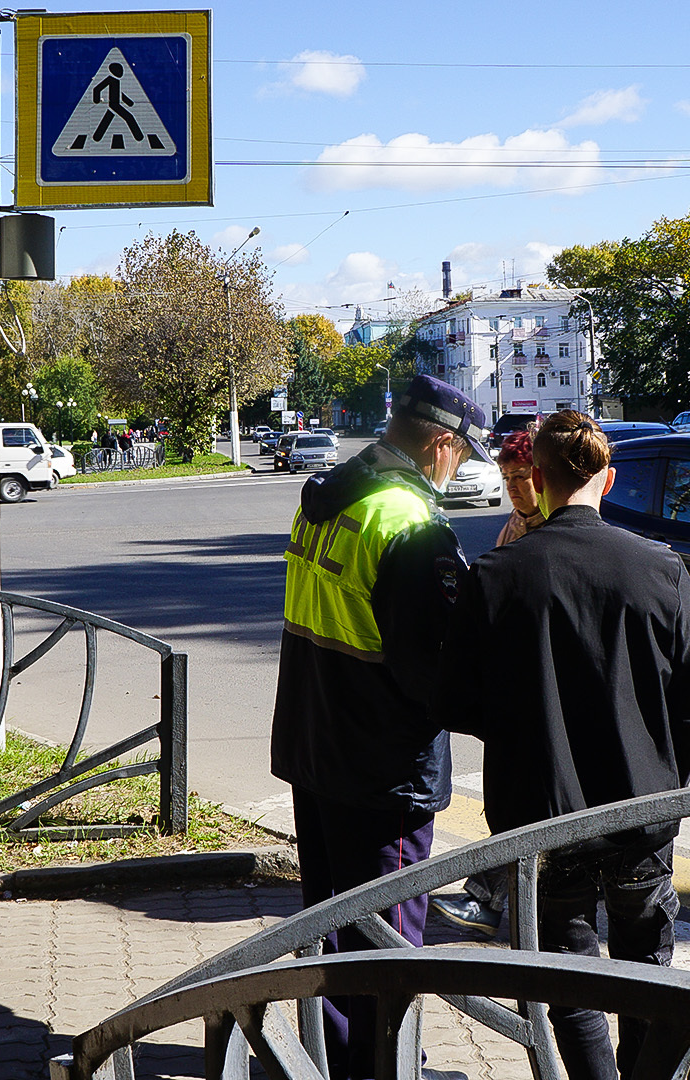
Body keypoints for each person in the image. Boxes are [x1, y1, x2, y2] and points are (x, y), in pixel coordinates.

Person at [434, 410, 690, 1080]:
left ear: (536, 477)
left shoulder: (496, 574)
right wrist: (661, 776)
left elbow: (452, 700)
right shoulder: (662, 570)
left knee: (567, 979)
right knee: (647, 970)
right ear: (608, 480)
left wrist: (523, 719)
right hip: (640, 816)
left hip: (540, 816)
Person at [270, 373, 491, 1080]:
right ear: (438, 443)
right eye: (461, 451)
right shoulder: (412, 523)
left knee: (333, 921)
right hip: (383, 764)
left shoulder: (330, 495)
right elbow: (434, 666)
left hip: (316, 744)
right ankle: (388, 1066)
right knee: (390, 930)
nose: (460, 466)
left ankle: (340, 1059)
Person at [428, 425, 541, 936]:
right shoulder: (516, 524)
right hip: (513, 690)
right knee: (513, 805)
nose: (515, 488)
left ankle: (502, 905)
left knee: (526, 807)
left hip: (538, 694)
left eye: (523, 477)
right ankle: (503, 902)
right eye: (507, 477)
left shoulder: (549, 528)